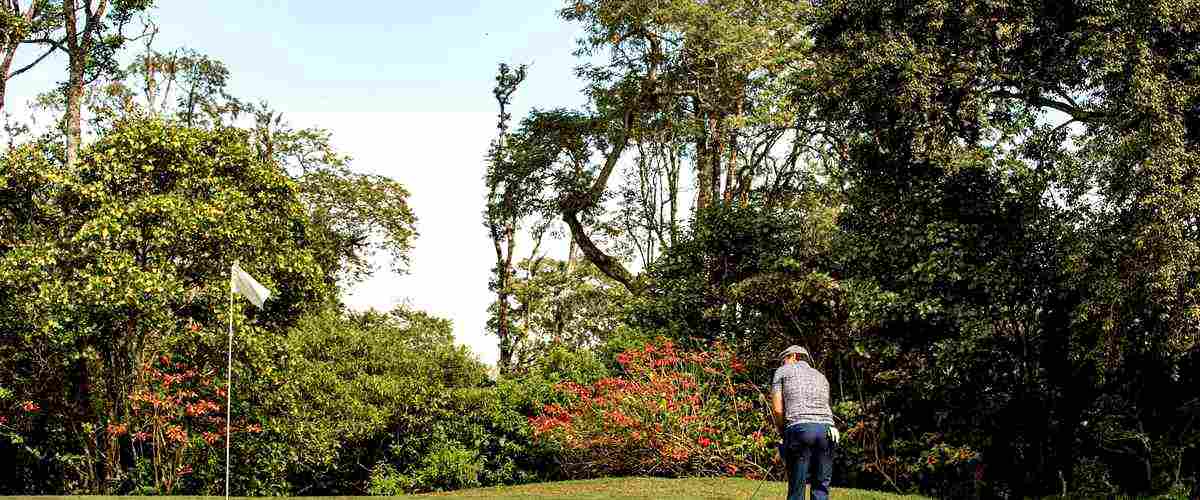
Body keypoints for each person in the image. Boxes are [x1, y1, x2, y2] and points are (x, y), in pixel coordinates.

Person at [772, 345, 838, 500]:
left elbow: (778, 409)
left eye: (784, 360)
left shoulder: (782, 371)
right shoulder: (821, 376)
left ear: (793, 356)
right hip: (828, 430)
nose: (783, 364)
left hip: (800, 429)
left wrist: (782, 431)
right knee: (821, 486)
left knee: (797, 485)